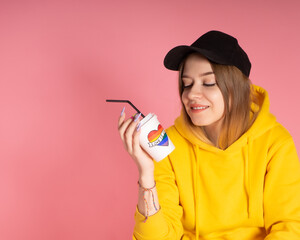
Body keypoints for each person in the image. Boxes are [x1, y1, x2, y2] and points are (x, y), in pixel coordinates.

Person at [118, 30, 300, 240]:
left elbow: (290, 227)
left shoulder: (274, 142)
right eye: (187, 84)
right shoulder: (168, 146)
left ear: (236, 88)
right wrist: (146, 173)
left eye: (208, 83)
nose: (191, 94)